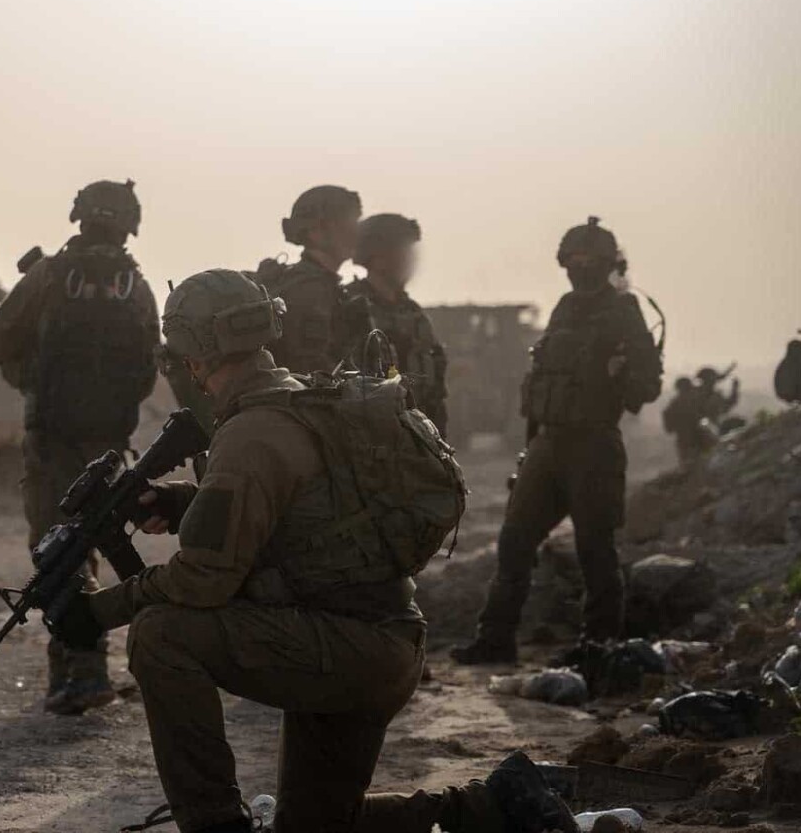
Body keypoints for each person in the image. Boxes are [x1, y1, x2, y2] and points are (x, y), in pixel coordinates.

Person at [50, 268, 578, 833]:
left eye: (179, 353)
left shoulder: (251, 431)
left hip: (343, 646)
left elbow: (203, 580)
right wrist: (184, 502)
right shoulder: (302, 395)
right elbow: (304, 511)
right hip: (378, 638)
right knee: (314, 826)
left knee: (160, 632)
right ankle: (494, 806)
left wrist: (98, 613)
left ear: (199, 351)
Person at [0, 179, 159, 714]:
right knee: (91, 547)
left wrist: (29, 373)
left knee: (57, 549)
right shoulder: (139, 288)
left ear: (79, 216)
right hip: (109, 441)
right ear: (130, 223)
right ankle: (84, 669)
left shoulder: (49, 276)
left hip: (51, 437)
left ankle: (79, 674)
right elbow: (147, 371)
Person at [453, 217, 662, 666]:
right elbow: (541, 383)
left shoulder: (624, 310)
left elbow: (647, 387)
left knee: (594, 549)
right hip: (547, 444)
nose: (580, 268)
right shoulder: (565, 307)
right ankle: (495, 640)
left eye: (590, 261)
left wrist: (622, 371)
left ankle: (599, 647)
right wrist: (528, 451)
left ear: (608, 263)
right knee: (515, 542)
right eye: (573, 260)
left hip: (594, 445)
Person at [339, 213, 449, 436]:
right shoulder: (349, 308)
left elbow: (435, 391)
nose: (411, 260)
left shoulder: (414, 314)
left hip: (418, 438)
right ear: (378, 258)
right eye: (403, 252)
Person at [256, 185, 362, 374]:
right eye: (346, 224)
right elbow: (310, 370)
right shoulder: (308, 290)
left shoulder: (324, 285)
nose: (355, 233)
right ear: (316, 231)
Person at [661, 376, 711, 466]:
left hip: (688, 441)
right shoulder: (694, 402)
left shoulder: (675, 404)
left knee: (689, 466)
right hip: (694, 441)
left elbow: (669, 428)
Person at [694, 366, 744, 435]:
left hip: (712, 432)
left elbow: (726, 407)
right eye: (711, 379)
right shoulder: (694, 394)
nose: (713, 382)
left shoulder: (716, 396)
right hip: (695, 432)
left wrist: (734, 390)